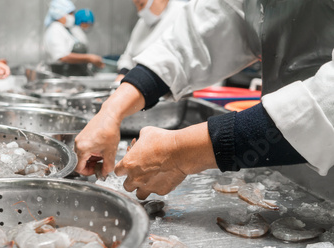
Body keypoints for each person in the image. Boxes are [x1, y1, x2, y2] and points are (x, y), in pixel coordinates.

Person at [74, 0, 334, 200]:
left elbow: (326, 102)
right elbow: (196, 40)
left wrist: (179, 150)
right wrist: (111, 111)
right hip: (279, 157)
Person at [115, 0, 187, 82]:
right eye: (136, 6)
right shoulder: (141, 23)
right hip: (140, 83)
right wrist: (123, 74)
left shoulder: (182, 13)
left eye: (141, 4)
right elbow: (128, 56)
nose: (139, 11)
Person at [43, 0, 104, 76]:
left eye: (72, 13)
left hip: (74, 75)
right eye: (69, 13)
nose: (72, 16)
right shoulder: (55, 29)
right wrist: (89, 58)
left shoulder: (67, 29)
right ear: (58, 13)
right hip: (63, 75)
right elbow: (62, 57)